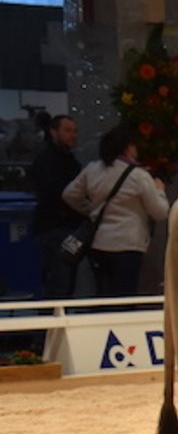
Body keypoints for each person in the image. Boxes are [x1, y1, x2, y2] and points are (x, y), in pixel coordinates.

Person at [61, 125, 170, 298]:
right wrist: (159, 190)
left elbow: (69, 194)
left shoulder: (92, 169)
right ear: (127, 147)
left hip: (98, 243)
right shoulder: (138, 176)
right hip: (128, 244)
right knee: (124, 297)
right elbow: (160, 212)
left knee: (103, 295)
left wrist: (90, 210)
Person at [28, 114, 85, 298]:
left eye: (75, 131)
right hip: (56, 227)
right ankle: (52, 324)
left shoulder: (68, 160)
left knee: (64, 282)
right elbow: (57, 192)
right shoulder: (50, 159)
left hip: (64, 227)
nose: (73, 135)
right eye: (67, 130)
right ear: (54, 132)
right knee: (59, 283)